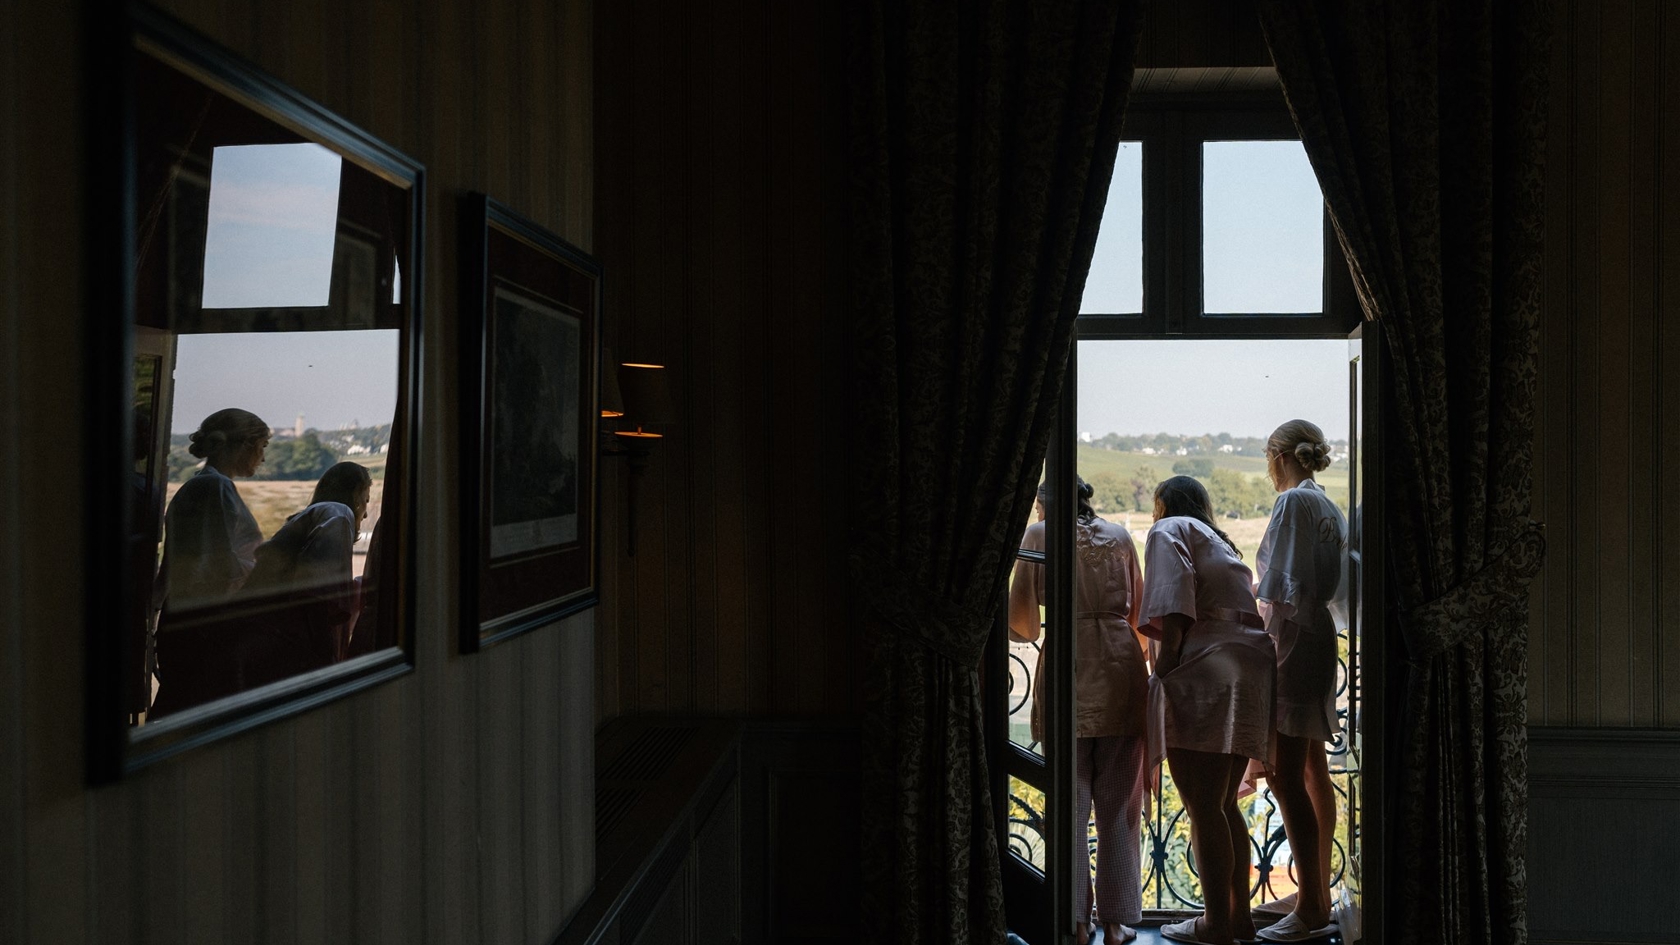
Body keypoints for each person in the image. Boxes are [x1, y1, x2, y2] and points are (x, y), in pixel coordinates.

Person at [1008, 478, 1149, 945]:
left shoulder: (1038, 534)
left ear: (1042, 505)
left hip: (1071, 661)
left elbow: (1022, 623)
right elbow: (1140, 615)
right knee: (1119, 805)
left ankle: (1075, 921)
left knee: (1070, 805)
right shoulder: (1121, 536)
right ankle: (1116, 923)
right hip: (1121, 667)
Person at [1140, 476, 1276, 945]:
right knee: (1221, 804)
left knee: (1201, 804)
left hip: (1207, 664)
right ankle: (1239, 920)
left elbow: (1175, 601)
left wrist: (1166, 669)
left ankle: (1215, 925)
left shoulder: (1166, 530)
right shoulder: (1219, 540)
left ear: (1162, 504)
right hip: (1252, 663)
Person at [1249, 420, 1347, 943]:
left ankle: (1310, 905)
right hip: (1318, 635)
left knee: (1285, 774)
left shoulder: (1292, 504)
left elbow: (1281, 586)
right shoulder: (1327, 504)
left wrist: (1256, 638)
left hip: (1293, 636)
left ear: (1279, 455)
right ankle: (1319, 893)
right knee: (1311, 766)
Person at [150, 407, 270, 716]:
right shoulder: (215, 488)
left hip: (186, 619)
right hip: (204, 625)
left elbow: (172, 569)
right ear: (244, 445)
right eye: (262, 447)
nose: (264, 457)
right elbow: (223, 565)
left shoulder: (202, 486)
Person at [238, 461, 372, 687]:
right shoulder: (339, 514)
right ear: (355, 493)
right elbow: (317, 593)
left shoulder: (316, 514)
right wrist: (325, 662)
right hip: (285, 645)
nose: (366, 513)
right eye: (365, 500)